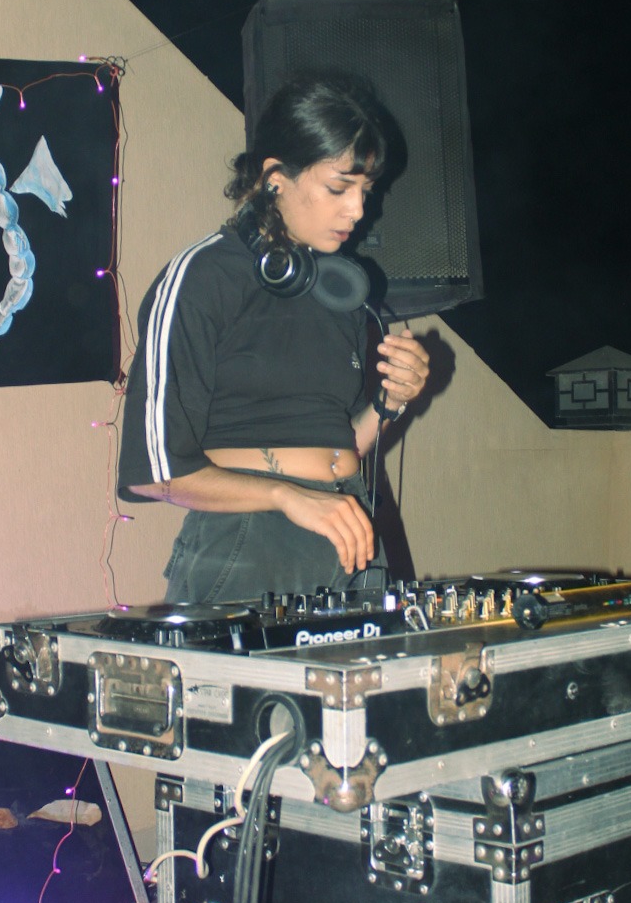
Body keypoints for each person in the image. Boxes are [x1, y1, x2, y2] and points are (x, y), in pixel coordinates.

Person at [117, 72, 431, 606]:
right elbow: (155, 473)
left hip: (350, 529)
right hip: (250, 542)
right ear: (275, 179)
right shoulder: (202, 277)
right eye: (339, 188)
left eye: (366, 191)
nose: (358, 210)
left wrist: (390, 401)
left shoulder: (337, 288)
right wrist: (289, 497)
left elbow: (340, 445)